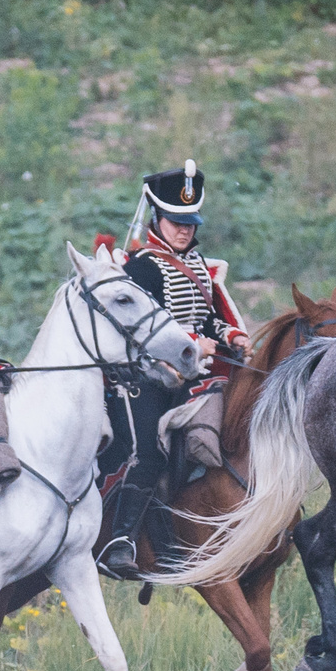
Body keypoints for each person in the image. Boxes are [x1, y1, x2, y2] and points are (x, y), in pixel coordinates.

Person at [98, 160, 249, 579]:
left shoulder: (199, 265)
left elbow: (210, 316)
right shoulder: (142, 267)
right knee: (148, 453)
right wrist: (189, 342)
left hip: (194, 375)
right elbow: (141, 332)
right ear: (157, 219)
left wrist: (231, 336)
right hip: (147, 379)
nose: (184, 230)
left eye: (190, 222)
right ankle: (119, 540)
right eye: (175, 221)